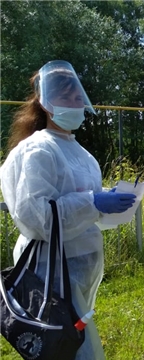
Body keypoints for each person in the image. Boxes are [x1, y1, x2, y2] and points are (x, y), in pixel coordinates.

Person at [0, 60, 136, 360]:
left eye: (79, 97)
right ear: (48, 103)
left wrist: (107, 205)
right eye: (68, 98)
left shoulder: (83, 155)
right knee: (64, 345)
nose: (76, 104)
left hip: (79, 269)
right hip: (49, 272)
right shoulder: (37, 150)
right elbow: (36, 217)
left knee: (72, 339)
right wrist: (93, 202)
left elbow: (85, 211)